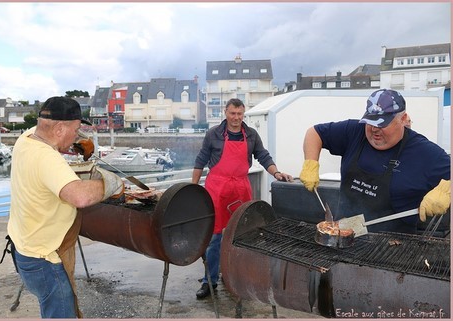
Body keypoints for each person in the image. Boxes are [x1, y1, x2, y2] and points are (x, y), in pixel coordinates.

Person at [7, 96, 125, 318]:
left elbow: (48, 133)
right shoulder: (46, 159)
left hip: (23, 248)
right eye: (76, 129)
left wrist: (71, 141)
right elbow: (79, 197)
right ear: (59, 128)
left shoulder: (26, 139)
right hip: (44, 260)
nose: (77, 135)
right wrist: (112, 184)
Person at [299, 89, 450, 234]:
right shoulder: (354, 132)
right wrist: (310, 163)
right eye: (370, 122)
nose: (375, 129)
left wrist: (447, 191)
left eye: (382, 123)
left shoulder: (425, 152)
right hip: (345, 231)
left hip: (394, 245)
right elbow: (315, 133)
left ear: (403, 119)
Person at [192, 98, 293, 299]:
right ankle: (209, 281)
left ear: (243, 114)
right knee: (215, 237)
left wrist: (276, 173)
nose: (236, 118)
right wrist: (193, 189)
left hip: (240, 188)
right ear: (226, 113)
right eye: (232, 114)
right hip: (217, 189)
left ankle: (234, 277)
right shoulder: (213, 134)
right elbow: (201, 160)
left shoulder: (251, 135)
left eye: (239, 114)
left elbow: (263, 156)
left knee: (241, 235)